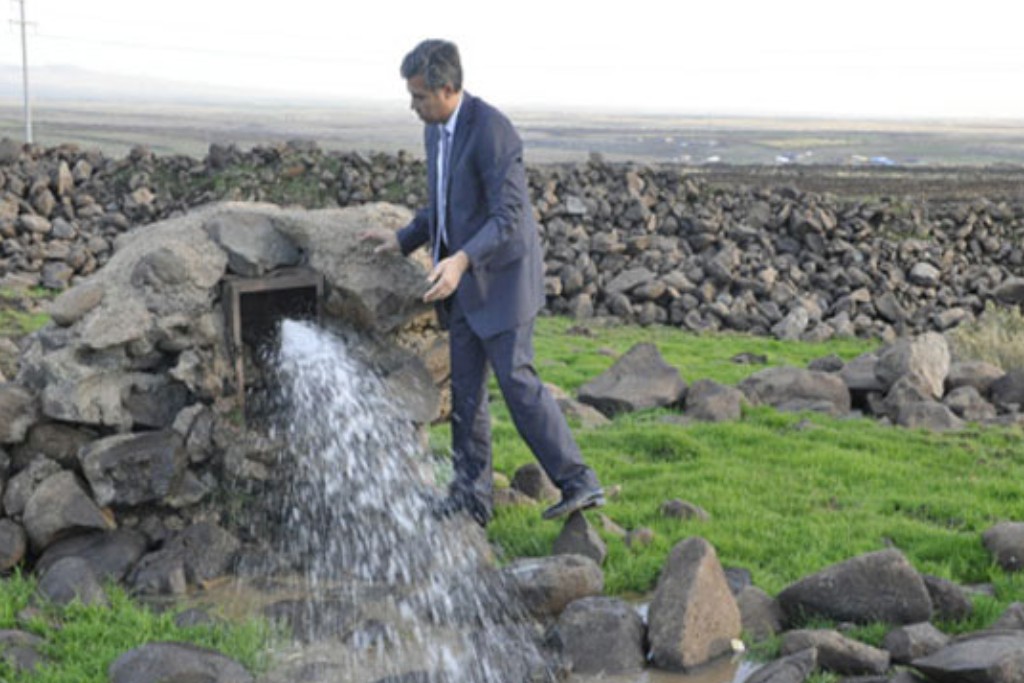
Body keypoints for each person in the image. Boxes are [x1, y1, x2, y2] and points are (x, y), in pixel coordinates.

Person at [362, 39, 603, 526]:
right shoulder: (436, 133)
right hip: (466, 287)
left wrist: (461, 261)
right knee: (466, 395)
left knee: (518, 385)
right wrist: (404, 238)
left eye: (420, 97)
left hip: (503, 283)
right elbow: (443, 204)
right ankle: (471, 497)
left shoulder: (493, 130)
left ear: (448, 88)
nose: (413, 107)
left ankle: (579, 482)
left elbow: (508, 216)